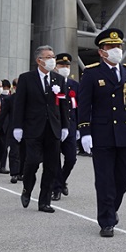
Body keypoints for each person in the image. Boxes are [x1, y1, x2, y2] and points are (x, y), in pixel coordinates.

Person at [78, 28, 126, 237]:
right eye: (111, 47)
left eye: (118, 46)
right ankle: (106, 220)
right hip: (102, 134)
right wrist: (85, 131)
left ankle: (112, 207)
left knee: (125, 175)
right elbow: (84, 105)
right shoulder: (92, 73)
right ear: (102, 52)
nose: (116, 50)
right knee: (104, 179)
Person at [13, 45, 69, 213]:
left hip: (53, 128)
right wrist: (17, 126)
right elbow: (19, 104)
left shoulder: (58, 79)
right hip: (32, 128)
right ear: (39, 60)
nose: (52, 60)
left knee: (51, 166)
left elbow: (63, 105)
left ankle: (44, 201)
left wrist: (65, 126)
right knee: (32, 162)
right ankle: (27, 189)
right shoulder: (26, 78)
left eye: (53, 56)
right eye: (49, 57)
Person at [52, 53, 79, 201]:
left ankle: (61, 180)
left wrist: (81, 127)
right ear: (56, 66)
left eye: (67, 66)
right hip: (55, 126)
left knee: (71, 158)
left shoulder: (74, 85)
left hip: (71, 126)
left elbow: (79, 107)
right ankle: (56, 188)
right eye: (62, 65)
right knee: (55, 159)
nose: (65, 68)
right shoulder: (51, 82)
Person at [0, 78, 21, 183]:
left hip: (28, 128)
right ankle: (14, 173)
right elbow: (3, 115)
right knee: (14, 151)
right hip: (13, 128)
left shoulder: (31, 98)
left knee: (24, 152)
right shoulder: (10, 99)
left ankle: (21, 172)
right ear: (14, 87)